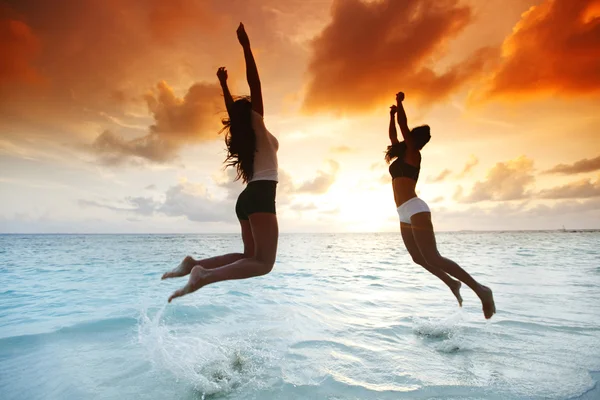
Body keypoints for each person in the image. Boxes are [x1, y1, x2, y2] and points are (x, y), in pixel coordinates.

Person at [162, 23, 279, 303]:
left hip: (246, 200)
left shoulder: (245, 133)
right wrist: (246, 47)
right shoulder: (255, 123)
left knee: (249, 257)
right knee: (263, 264)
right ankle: (204, 276)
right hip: (261, 193)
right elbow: (255, 83)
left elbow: (236, 107)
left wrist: (224, 85)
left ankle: (194, 264)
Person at [387, 92, 495, 319]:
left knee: (433, 257)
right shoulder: (400, 157)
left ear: (415, 140)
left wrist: (399, 105)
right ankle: (452, 284)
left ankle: (481, 290)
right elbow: (394, 135)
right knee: (418, 258)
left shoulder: (413, 155)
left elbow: (403, 126)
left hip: (416, 209)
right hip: (403, 214)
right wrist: (391, 115)